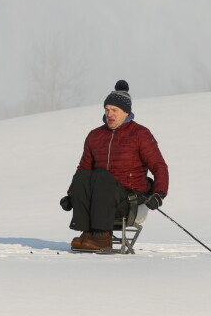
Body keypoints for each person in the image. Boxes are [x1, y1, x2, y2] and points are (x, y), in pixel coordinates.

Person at [60, 80, 169, 250]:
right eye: (107, 109)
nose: (109, 114)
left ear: (126, 112)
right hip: (98, 198)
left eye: (114, 110)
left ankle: (103, 236)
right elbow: (83, 168)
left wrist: (159, 194)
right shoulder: (95, 136)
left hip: (128, 198)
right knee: (84, 175)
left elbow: (159, 166)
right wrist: (71, 195)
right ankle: (87, 233)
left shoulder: (140, 134)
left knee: (102, 176)